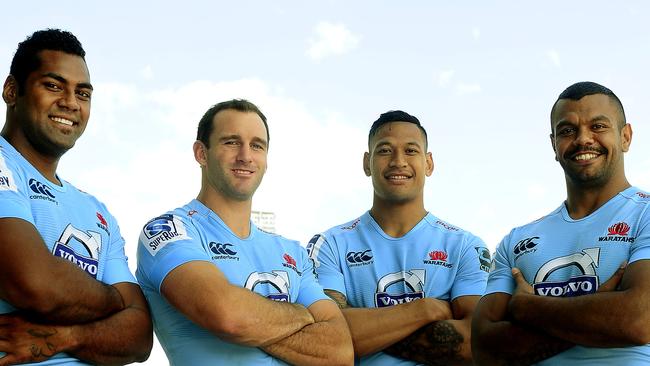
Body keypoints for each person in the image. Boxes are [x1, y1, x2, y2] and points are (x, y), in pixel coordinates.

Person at [136, 99, 353, 365]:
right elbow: (229, 316)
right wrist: (303, 315)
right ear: (201, 153)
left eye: (257, 145)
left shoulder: (291, 251)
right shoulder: (170, 230)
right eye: (231, 142)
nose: (246, 156)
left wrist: (255, 319)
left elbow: (340, 351)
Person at [0, 29, 152, 364]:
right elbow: (33, 283)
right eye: (53, 85)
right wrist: (115, 301)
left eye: (82, 93)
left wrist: (64, 338)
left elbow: (140, 337)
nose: (70, 102)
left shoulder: (97, 212)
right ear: (12, 91)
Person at [472, 81, 650, 365]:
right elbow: (484, 348)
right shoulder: (516, 241)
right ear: (554, 144)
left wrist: (529, 307)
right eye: (567, 131)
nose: (583, 139)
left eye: (598, 126)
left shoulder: (645, 213)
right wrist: (597, 309)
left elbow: (640, 319)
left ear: (626, 136)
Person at [307, 110, 490, 365]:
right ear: (366, 163)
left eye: (411, 151)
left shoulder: (464, 246)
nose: (398, 161)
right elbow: (323, 337)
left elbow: (475, 343)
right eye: (384, 150)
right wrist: (425, 310)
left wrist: (367, 331)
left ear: (429, 163)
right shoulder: (330, 245)